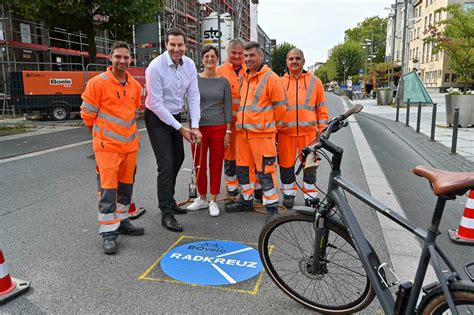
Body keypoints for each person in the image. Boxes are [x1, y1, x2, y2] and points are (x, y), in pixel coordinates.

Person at [81, 41, 144, 255]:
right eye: (118, 56)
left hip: (130, 147)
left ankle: (123, 221)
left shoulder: (135, 86)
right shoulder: (97, 83)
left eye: (126, 57)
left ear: (130, 60)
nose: (122, 61)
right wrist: (101, 138)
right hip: (107, 149)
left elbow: (134, 113)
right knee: (108, 191)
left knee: (126, 188)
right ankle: (108, 233)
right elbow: (88, 116)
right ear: (110, 58)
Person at [144, 28, 202, 233]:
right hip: (156, 117)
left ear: (186, 46)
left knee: (178, 159)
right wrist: (180, 129)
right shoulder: (155, 67)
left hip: (175, 115)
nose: (176, 49)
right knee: (166, 164)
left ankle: (169, 200)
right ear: (166, 45)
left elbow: (193, 96)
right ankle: (166, 212)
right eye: (172, 45)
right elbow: (157, 104)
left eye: (180, 45)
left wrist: (194, 126)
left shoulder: (190, 65)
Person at [224, 41, 288, 221]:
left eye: (252, 55)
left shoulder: (271, 78)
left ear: (261, 56)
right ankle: (246, 200)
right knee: (243, 170)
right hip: (244, 135)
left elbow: (281, 108)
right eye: (246, 56)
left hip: (262, 135)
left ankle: (272, 207)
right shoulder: (244, 76)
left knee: (265, 172)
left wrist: (272, 130)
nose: (248, 59)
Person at [278, 48, 329, 208]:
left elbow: (321, 108)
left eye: (297, 58)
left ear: (303, 61)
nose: (294, 61)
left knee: (310, 165)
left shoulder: (315, 82)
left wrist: (322, 129)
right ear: (286, 62)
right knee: (286, 165)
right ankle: (288, 194)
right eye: (291, 58)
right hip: (285, 133)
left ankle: (310, 195)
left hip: (309, 134)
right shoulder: (279, 82)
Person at [185, 46, 232, 216]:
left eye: (213, 56)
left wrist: (228, 131)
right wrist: (192, 128)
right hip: (199, 128)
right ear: (202, 59)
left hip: (219, 127)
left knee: (215, 164)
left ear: (217, 59)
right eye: (206, 56)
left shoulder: (223, 82)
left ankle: (213, 199)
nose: (210, 59)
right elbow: (190, 104)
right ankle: (202, 198)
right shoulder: (194, 80)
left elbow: (227, 107)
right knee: (199, 164)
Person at [215, 39, 246, 198]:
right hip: (227, 124)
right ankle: (231, 187)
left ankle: (245, 186)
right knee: (229, 156)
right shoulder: (219, 71)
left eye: (240, 53)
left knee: (245, 156)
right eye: (234, 53)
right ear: (228, 53)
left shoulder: (249, 70)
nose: (237, 56)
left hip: (246, 124)